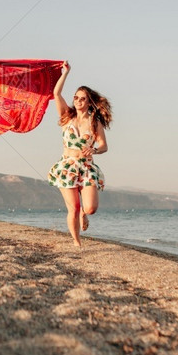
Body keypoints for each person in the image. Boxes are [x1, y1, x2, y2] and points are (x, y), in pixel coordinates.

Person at [47, 61, 113, 247]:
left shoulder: (94, 122)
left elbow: (104, 145)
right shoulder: (66, 116)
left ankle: (85, 214)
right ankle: (77, 242)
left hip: (86, 167)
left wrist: (95, 149)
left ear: (88, 101)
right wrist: (65, 73)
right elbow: (56, 94)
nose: (77, 101)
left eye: (82, 98)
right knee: (73, 208)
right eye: (76, 97)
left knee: (90, 208)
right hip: (67, 166)